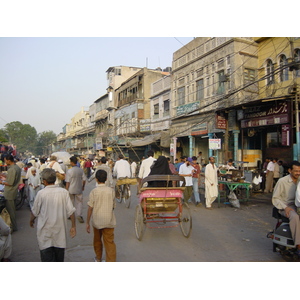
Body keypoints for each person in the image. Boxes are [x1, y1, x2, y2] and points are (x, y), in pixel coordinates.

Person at [30, 168, 76, 262]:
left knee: (46, 259)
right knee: (59, 259)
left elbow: (35, 212)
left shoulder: (41, 193)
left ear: (44, 181)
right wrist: (73, 226)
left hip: (45, 233)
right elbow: (71, 211)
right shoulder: (64, 192)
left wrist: (31, 220)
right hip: (59, 233)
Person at [86, 170, 116, 262]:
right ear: (106, 179)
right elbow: (113, 206)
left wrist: (87, 222)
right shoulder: (111, 191)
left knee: (97, 241)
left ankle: (98, 258)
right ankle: (111, 261)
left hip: (97, 221)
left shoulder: (94, 192)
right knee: (109, 242)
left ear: (96, 179)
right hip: (109, 221)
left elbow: (90, 208)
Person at [273, 161, 300, 256]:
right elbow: (275, 198)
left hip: (297, 204)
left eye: (299, 171)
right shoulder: (282, 181)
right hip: (285, 205)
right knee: (295, 217)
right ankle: (298, 245)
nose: (298, 173)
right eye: (296, 171)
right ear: (289, 170)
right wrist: (285, 208)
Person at [0, 155, 21, 232]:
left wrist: (1, 182)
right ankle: (13, 226)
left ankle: (13, 227)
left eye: (5, 160)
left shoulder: (12, 169)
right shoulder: (16, 168)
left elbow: (10, 182)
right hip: (13, 192)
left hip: (10, 192)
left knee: (10, 211)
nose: (5, 162)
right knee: (12, 210)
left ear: (9, 160)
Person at [65, 156, 87, 223]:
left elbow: (67, 182)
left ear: (71, 162)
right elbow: (84, 179)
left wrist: (66, 190)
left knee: (70, 202)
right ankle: (79, 215)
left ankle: (70, 215)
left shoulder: (69, 171)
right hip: (78, 189)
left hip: (71, 189)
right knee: (79, 202)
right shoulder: (80, 170)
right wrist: (83, 186)